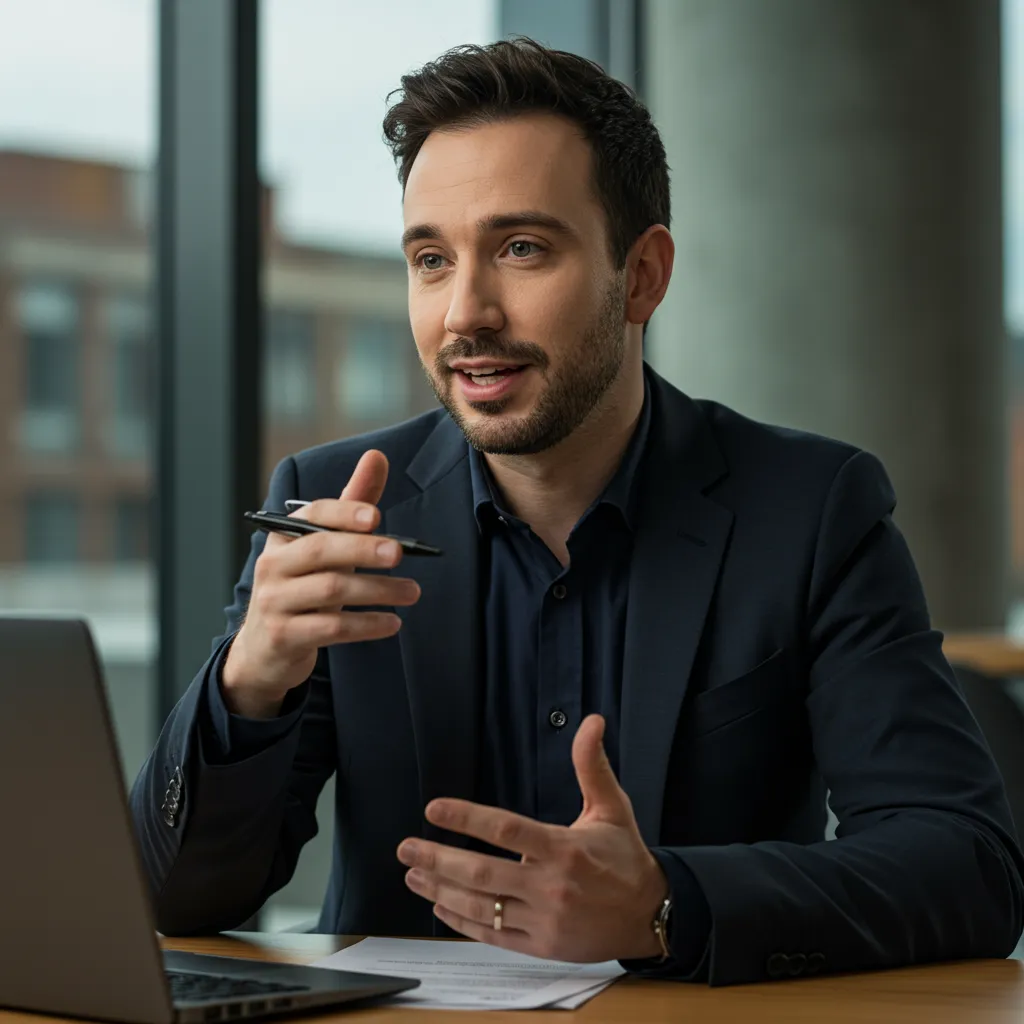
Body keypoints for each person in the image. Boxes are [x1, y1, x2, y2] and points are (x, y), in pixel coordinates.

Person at [130, 38, 1024, 985]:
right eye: (431, 259)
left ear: (642, 275)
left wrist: (662, 905)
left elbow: (965, 868)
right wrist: (249, 680)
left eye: (521, 249)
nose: (465, 313)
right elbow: (175, 901)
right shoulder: (336, 506)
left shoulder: (809, 511)